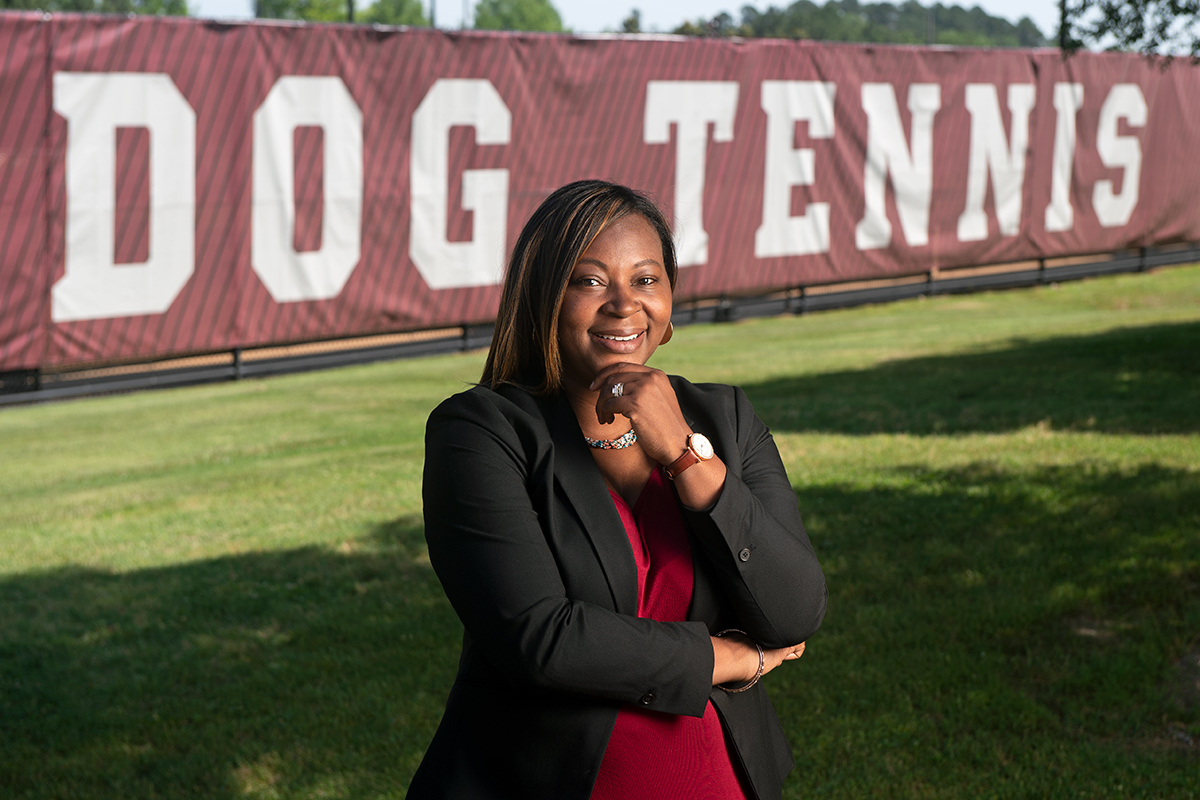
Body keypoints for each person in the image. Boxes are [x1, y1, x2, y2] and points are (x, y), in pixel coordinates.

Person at [408, 180, 827, 800]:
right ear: (543, 297)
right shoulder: (480, 433)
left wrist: (687, 458)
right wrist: (727, 659)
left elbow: (795, 611)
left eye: (646, 279)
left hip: (717, 780)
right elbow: (542, 640)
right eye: (591, 280)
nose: (624, 306)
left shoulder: (727, 420)